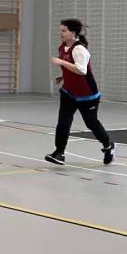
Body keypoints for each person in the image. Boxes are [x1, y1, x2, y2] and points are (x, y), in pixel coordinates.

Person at [45, 18, 115, 166]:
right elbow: (71, 68)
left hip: (87, 95)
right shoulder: (62, 47)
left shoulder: (79, 49)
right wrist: (63, 76)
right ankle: (59, 153)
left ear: (73, 33)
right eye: (60, 30)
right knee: (63, 122)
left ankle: (108, 146)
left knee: (91, 123)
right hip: (69, 93)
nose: (60, 33)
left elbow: (82, 70)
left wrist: (61, 62)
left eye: (64, 31)